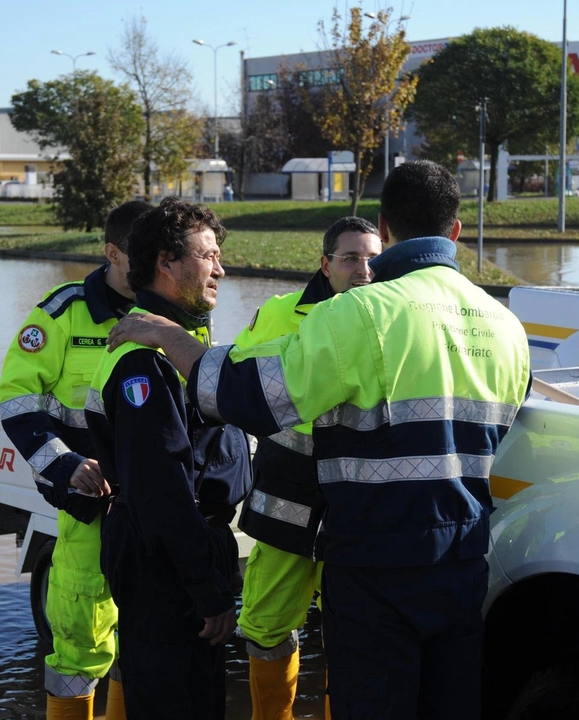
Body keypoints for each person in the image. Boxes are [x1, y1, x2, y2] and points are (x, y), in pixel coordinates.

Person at [108, 161, 532, 719]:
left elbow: (248, 396)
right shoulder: (504, 324)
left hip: (375, 564)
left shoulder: (362, 312)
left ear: (385, 229)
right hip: (465, 559)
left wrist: (170, 337)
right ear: (455, 230)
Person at [85, 197, 253, 720]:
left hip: (184, 559)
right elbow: (163, 493)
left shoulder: (177, 344)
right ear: (165, 261)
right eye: (207, 255)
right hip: (168, 572)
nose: (220, 269)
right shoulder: (144, 361)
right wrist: (208, 592)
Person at [0, 199, 152, 720]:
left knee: (143, 640)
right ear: (112, 253)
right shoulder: (61, 313)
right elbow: (17, 400)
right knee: (79, 644)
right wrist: (63, 466)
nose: (156, 264)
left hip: (154, 506)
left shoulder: (174, 312)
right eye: (143, 253)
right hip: (91, 505)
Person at [233, 216, 381, 720]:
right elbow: (238, 384)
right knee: (267, 626)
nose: (365, 270)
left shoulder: (391, 316)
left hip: (356, 508)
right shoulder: (278, 314)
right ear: (325, 264)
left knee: (356, 631)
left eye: (373, 259)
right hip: (286, 501)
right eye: (351, 259)